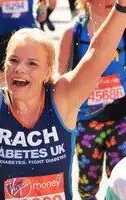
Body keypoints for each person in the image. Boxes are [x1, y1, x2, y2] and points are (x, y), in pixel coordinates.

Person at [0, 1, 126, 198]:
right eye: (13, 60)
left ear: (47, 71)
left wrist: (122, 7)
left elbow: (97, 53)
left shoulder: (62, 100)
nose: (20, 68)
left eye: (32, 63)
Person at [58, 0, 126, 199]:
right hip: (87, 121)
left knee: (120, 178)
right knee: (88, 185)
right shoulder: (73, 33)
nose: (108, 1)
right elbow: (59, 77)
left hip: (121, 119)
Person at [0, 0, 46, 87]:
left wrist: (42, 9)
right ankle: (1, 98)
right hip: (1, 32)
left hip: (27, 32)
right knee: (3, 70)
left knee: (31, 68)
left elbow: (42, 2)